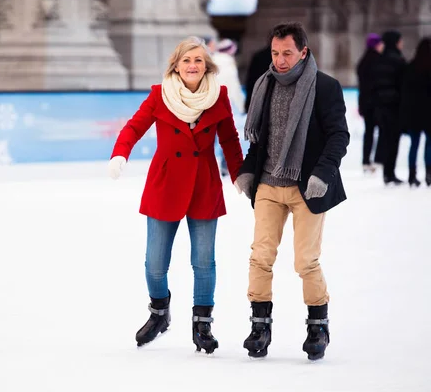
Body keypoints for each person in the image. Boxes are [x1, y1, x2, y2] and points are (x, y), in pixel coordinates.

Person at [108, 36, 244, 354]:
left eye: (198, 60)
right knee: (155, 265)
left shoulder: (218, 96)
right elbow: (133, 128)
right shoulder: (160, 95)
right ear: (176, 65)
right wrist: (120, 154)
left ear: (207, 65)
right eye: (186, 60)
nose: (192, 66)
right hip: (165, 184)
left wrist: (240, 175)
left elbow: (230, 140)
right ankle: (159, 313)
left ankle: (202, 325)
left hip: (204, 185)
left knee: (204, 262)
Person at [234, 22, 350, 361]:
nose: (280, 60)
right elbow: (260, 138)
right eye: (275, 53)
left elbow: (338, 136)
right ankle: (260, 326)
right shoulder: (264, 85)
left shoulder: (325, 87)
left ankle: (318, 326)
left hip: (307, 186)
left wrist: (322, 174)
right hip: (269, 183)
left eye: (287, 53)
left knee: (305, 261)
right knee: (261, 256)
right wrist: (247, 169)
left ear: (303, 51)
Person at [371, 30, 407, 185]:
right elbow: (403, 85)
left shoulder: (379, 60)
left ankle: (387, 172)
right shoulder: (398, 60)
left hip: (380, 107)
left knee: (385, 139)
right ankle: (390, 173)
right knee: (393, 140)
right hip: (395, 107)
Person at [399, 37, 431, 187]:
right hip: (428, 114)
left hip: (413, 114)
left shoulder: (410, 67)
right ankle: (429, 174)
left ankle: (412, 175)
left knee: (414, 145)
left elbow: (405, 93)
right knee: (429, 145)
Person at [212, 38, 246, 176]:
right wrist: (242, 105)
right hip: (222, 105)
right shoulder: (228, 64)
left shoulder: (210, 60)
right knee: (225, 136)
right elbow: (234, 87)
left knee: (208, 136)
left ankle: (201, 165)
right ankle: (226, 166)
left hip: (207, 103)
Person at [357, 33, 385, 172]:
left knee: (369, 132)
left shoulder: (363, 61)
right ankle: (378, 160)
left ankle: (366, 161)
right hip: (377, 102)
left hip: (365, 102)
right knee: (383, 129)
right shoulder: (378, 61)